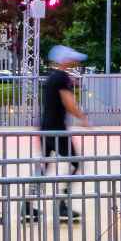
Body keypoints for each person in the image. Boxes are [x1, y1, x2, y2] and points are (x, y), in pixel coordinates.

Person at [30, 45, 89, 222]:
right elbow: (69, 103)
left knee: (44, 167)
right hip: (57, 130)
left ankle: (27, 204)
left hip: (45, 129)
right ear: (65, 61)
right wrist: (83, 119)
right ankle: (63, 203)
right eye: (72, 59)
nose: (75, 62)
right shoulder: (63, 78)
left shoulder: (51, 78)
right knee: (76, 163)